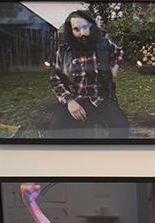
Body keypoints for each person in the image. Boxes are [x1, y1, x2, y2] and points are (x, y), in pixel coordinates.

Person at [48, 10, 130, 138]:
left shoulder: (104, 44)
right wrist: (69, 101)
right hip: (74, 98)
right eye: (77, 29)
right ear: (71, 32)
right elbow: (55, 79)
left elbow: (120, 51)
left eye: (85, 27)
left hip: (100, 99)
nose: (83, 33)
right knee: (55, 131)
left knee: (121, 126)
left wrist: (116, 67)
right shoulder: (63, 51)